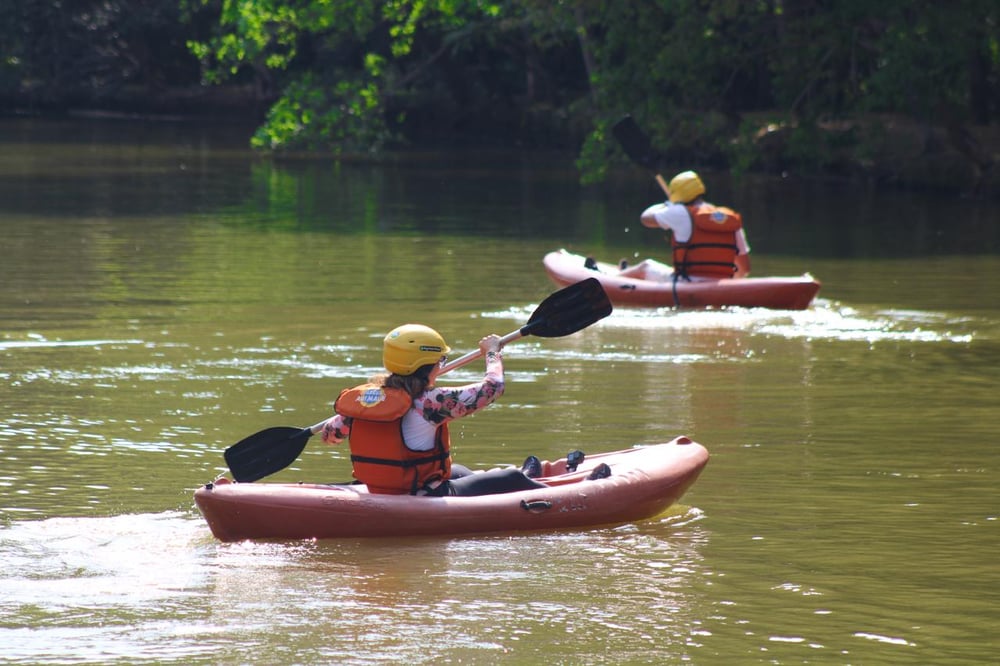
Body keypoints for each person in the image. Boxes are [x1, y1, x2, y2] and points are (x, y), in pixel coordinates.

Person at [318, 324, 565, 497]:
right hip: (422, 494)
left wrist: (345, 419)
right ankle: (559, 491)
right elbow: (492, 388)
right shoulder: (431, 401)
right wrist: (492, 352)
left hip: (380, 487)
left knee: (458, 471)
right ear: (428, 365)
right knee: (511, 479)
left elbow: (330, 436)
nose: (442, 366)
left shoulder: (366, 400)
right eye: (441, 361)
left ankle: (529, 475)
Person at [618, 170, 751, 281]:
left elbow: (646, 218)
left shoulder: (680, 212)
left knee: (646, 266)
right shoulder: (728, 218)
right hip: (723, 285)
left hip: (687, 282)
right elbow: (744, 269)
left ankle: (612, 279)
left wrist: (667, 204)